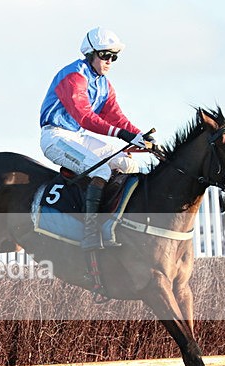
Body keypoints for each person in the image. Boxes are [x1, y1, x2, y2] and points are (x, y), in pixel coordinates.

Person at [39, 27, 153, 251]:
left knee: (128, 164)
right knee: (100, 170)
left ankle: (117, 223)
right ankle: (90, 234)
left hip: (78, 137)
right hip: (55, 136)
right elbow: (85, 117)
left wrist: (141, 137)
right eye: (105, 55)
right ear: (91, 54)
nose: (110, 61)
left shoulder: (104, 84)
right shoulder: (74, 76)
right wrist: (123, 135)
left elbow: (116, 117)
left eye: (114, 57)